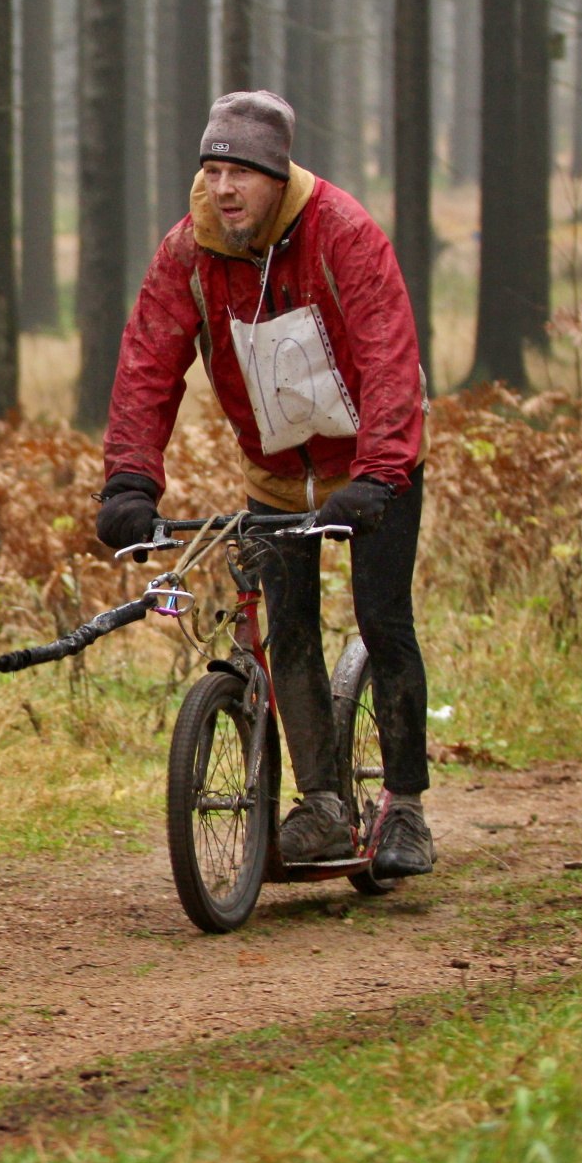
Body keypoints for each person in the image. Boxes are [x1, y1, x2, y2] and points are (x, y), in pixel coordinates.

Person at [94, 90, 434, 878]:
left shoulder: (343, 232)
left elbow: (388, 355)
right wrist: (130, 481)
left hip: (375, 467)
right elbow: (147, 364)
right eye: (212, 171)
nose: (223, 189)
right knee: (290, 630)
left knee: (384, 620)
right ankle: (322, 804)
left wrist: (380, 473)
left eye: (240, 173)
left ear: (278, 177)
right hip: (276, 476)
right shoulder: (188, 252)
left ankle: (407, 810)